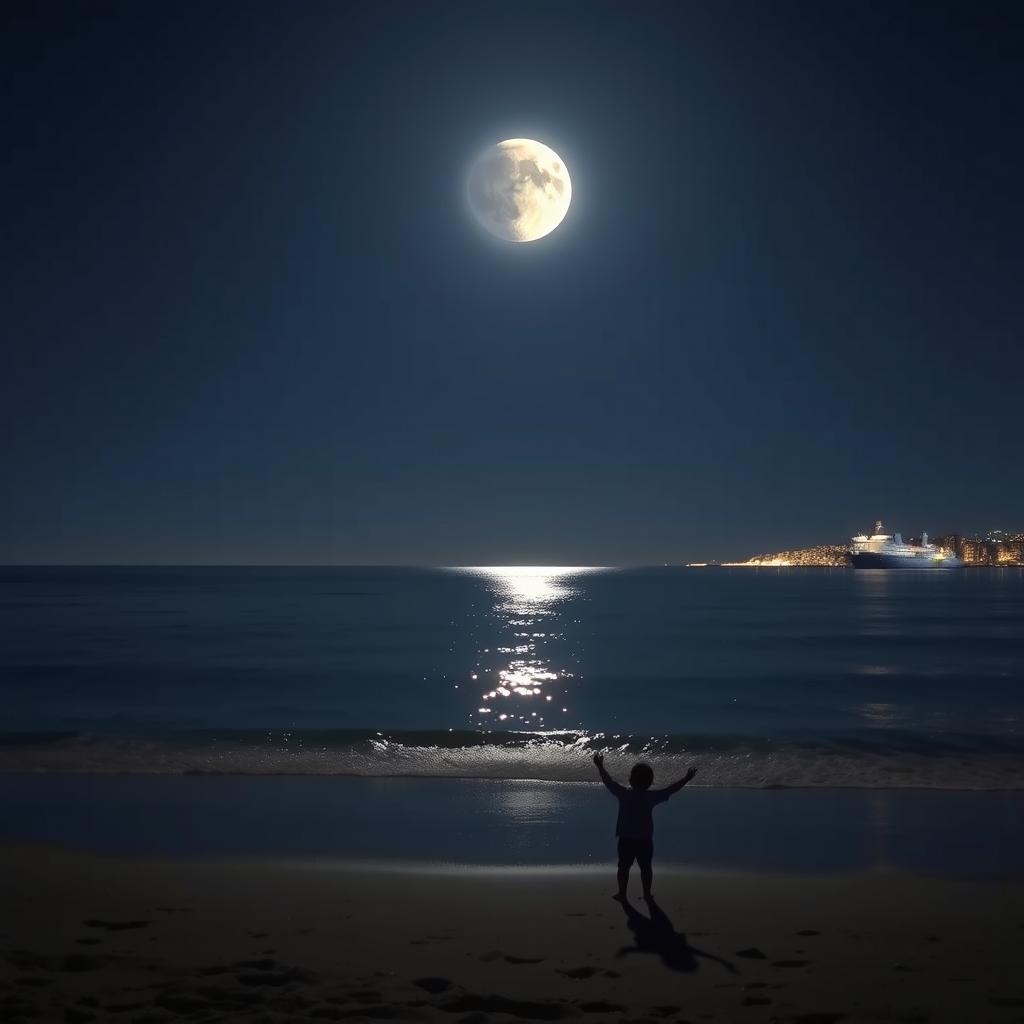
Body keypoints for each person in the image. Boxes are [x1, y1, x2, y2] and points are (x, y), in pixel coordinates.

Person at [593, 752, 698, 902]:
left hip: (626, 838)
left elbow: (608, 782)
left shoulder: (624, 794)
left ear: (630, 779)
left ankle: (622, 893)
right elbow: (670, 790)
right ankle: (647, 894)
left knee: (623, 867)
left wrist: (600, 767)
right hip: (644, 840)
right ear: (650, 782)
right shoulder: (650, 797)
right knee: (646, 868)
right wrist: (686, 779)